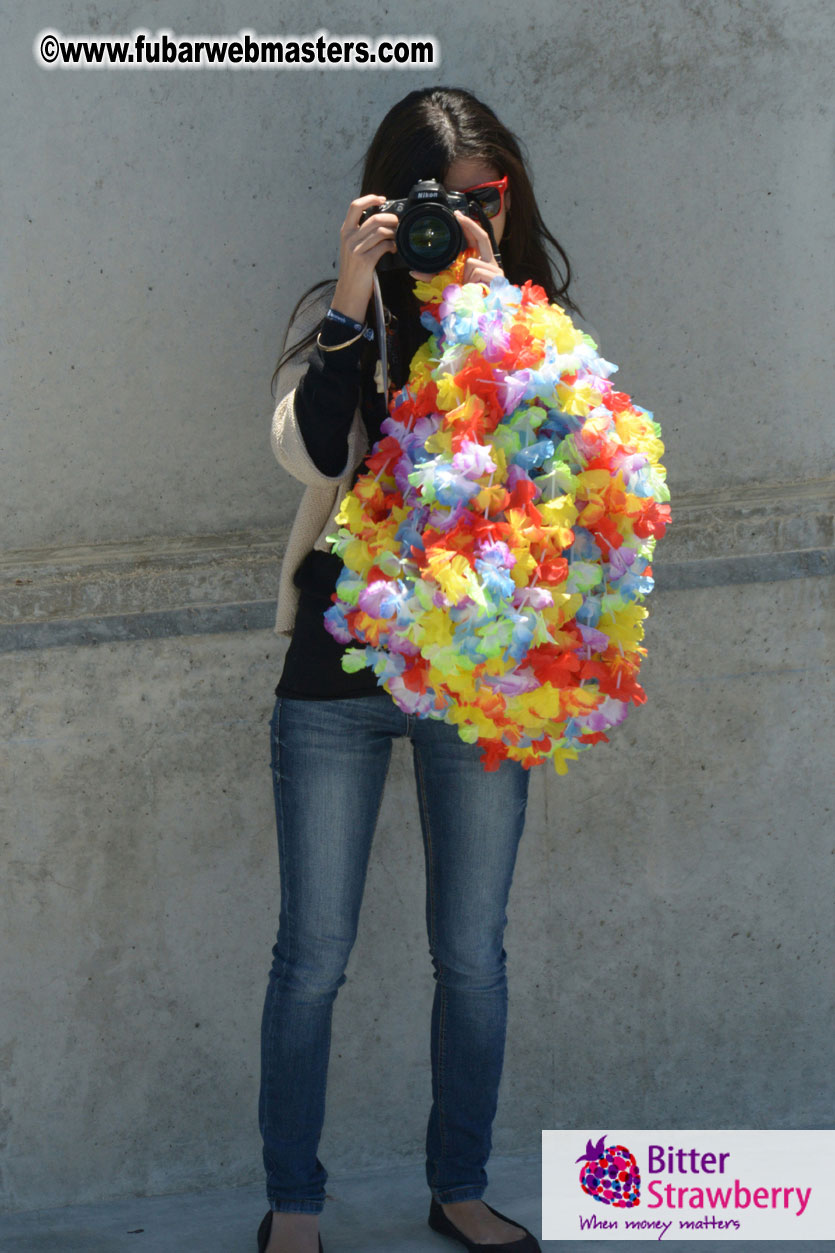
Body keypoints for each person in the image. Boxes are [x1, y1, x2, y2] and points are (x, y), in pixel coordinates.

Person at [259, 86, 580, 1253]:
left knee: (471, 955)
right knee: (311, 956)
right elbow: (313, 452)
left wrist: (497, 316)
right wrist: (353, 298)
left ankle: (457, 1185)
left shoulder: (529, 317)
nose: (457, 217)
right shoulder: (354, 312)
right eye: (435, 199)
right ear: (384, 201)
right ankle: (293, 1204)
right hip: (335, 675)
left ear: (510, 199)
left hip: (477, 679)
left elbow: (560, 469)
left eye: (482, 197)